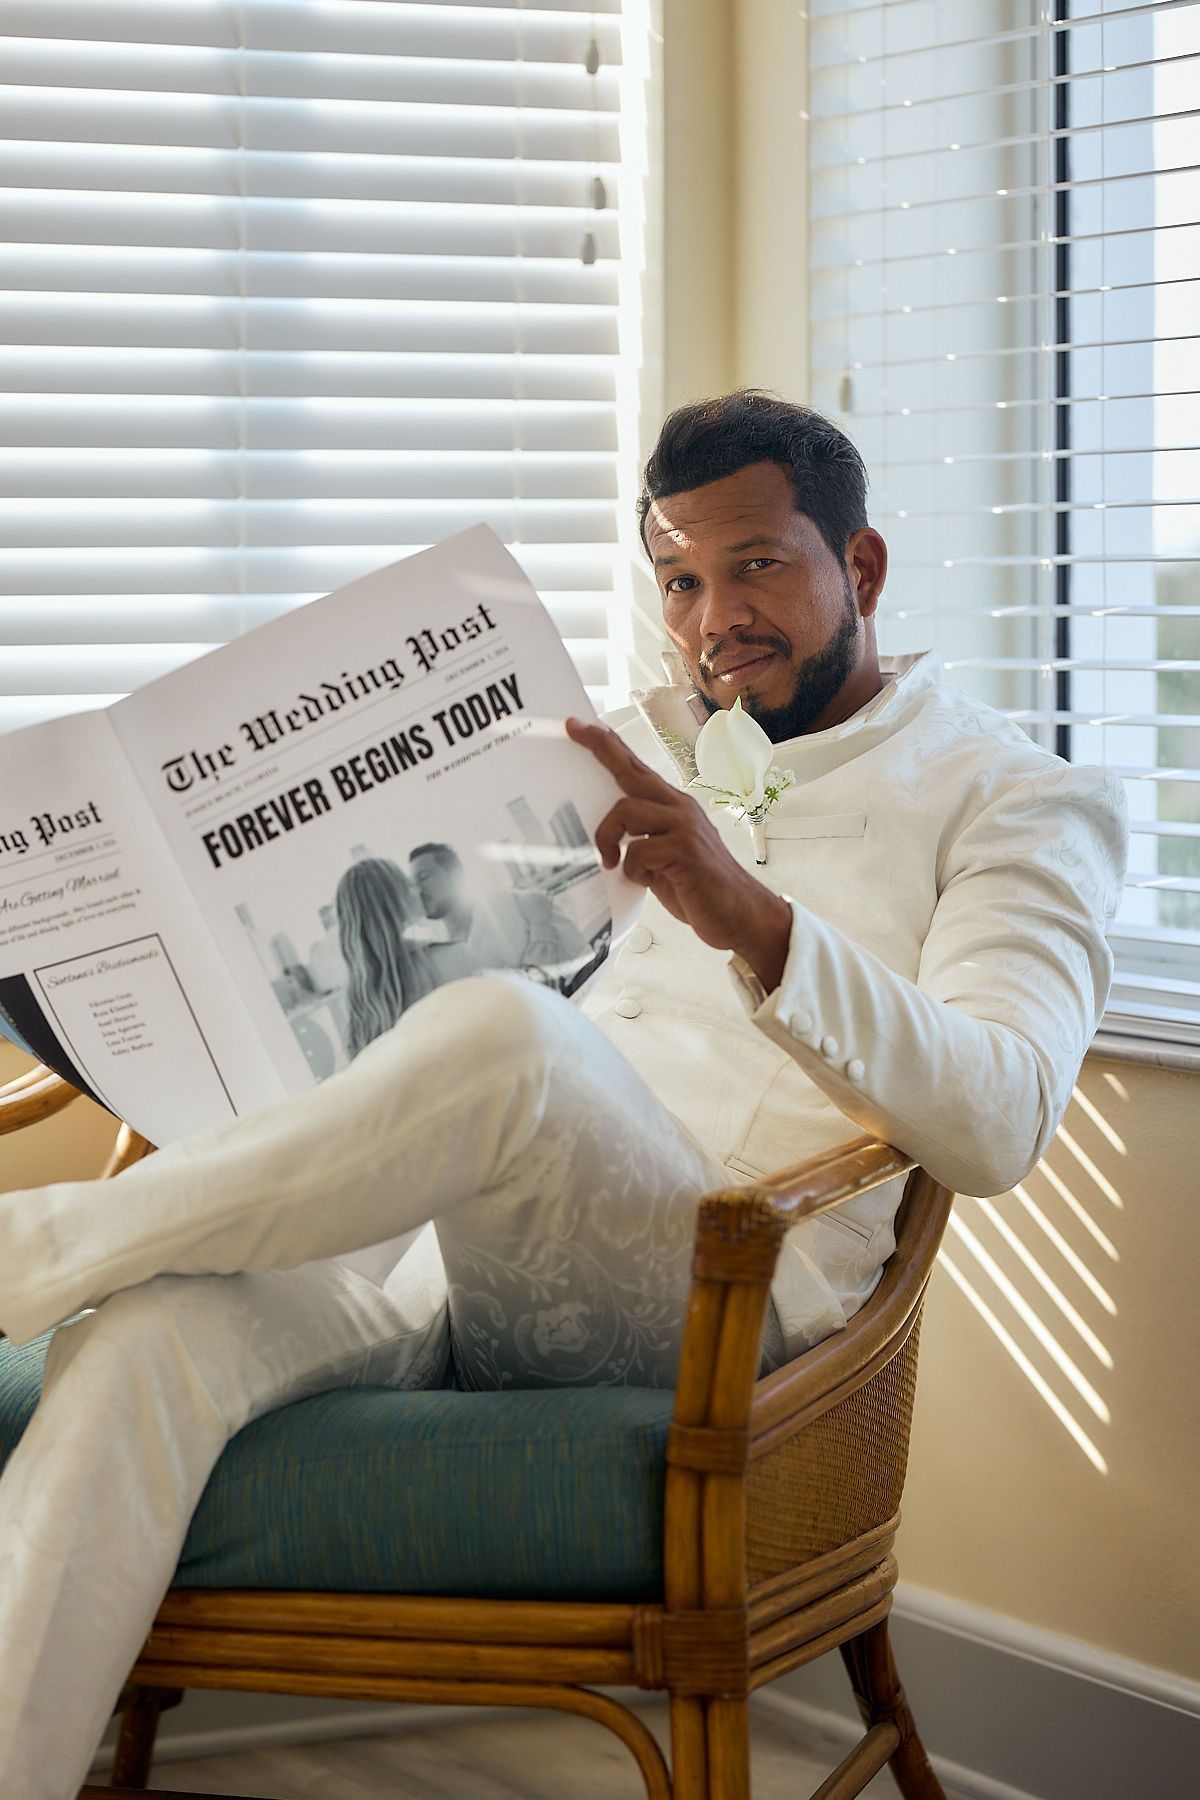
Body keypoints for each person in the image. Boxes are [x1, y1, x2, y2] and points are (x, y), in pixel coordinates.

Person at [0, 391, 1127, 1797]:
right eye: (680, 581)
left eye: (757, 565)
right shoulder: (603, 740)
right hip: (443, 1254)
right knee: (142, 1341)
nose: (715, 618)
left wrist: (756, 923)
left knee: (510, 1037)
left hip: (722, 1307)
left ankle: (32, 1257)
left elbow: (1003, 1119)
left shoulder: (1015, 799)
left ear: (863, 566)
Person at [409, 842, 591, 983]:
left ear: (455, 874)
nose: (416, 890)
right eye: (412, 883)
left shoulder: (518, 904)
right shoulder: (438, 954)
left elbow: (581, 961)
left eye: (423, 877)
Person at [333, 857, 440, 1058]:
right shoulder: (449, 957)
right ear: (395, 902)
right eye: (409, 886)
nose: (418, 890)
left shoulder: (358, 1001)